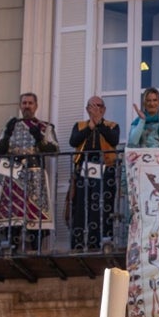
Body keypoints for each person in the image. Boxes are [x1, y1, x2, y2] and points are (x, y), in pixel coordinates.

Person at [0, 92, 59, 251]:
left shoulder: (45, 127)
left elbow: (55, 150)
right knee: (12, 211)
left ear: (36, 106)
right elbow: (0, 150)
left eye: (30, 103)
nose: (27, 106)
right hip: (13, 173)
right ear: (20, 106)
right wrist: (8, 134)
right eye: (24, 103)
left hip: (34, 173)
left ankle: (36, 246)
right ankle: (12, 245)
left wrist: (39, 139)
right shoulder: (10, 126)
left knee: (35, 212)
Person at [68, 96, 120, 251]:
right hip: (83, 170)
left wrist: (99, 123)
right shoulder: (80, 126)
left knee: (103, 207)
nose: (96, 109)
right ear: (87, 109)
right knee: (81, 207)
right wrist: (90, 126)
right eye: (92, 106)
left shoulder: (112, 125)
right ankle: (79, 243)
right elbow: (74, 141)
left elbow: (114, 139)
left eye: (99, 106)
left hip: (105, 171)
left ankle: (102, 241)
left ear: (103, 109)